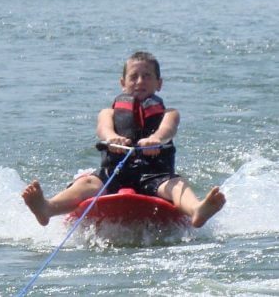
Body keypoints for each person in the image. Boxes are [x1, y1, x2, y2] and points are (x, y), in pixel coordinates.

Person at [22, 51, 226, 228]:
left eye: (147, 76)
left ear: (159, 83)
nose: (140, 81)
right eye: (134, 76)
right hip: (113, 174)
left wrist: (155, 139)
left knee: (176, 184)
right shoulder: (107, 112)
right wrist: (113, 138)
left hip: (155, 176)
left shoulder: (170, 113)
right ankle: (47, 208)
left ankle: (196, 210)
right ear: (123, 83)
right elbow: (103, 129)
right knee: (87, 182)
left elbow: (168, 130)